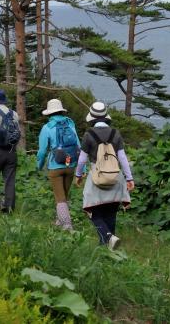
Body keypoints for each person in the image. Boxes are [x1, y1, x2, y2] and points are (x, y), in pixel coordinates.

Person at [74, 101, 134, 250]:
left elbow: (82, 160)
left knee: (93, 210)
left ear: (92, 118)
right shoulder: (115, 133)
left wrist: (78, 175)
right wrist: (129, 178)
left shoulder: (89, 135)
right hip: (115, 177)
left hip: (97, 177)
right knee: (111, 211)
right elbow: (122, 158)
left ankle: (107, 238)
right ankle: (109, 245)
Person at [37, 99, 80, 230]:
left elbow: (42, 151)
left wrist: (39, 165)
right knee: (64, 195)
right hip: (70, 164)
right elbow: (78, 146)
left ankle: (67, 225)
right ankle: (59, 221)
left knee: (59, 197)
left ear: (49, 113)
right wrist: (81, 167)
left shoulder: (47, 128)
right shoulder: (70, 125)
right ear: (61, 111)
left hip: (55, 166)